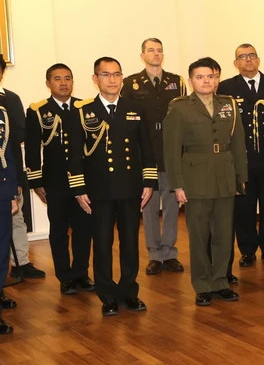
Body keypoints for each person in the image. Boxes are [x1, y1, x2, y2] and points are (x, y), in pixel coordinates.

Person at [68, 57, 157, 317]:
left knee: (130, 243)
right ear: (95, 79)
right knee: (103, 243)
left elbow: (146, 149)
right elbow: (74, 154)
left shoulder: (135, 108)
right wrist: (78, 188)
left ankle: (129, 292)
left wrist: (149, 182)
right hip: (99, 190)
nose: (112, 80)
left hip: (130, 188)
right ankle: (106, 295)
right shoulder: (83, 111)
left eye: (117, 74)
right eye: (106, 75)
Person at [163, 58, 247, 306]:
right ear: (190, 81)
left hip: (224, 175)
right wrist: (177, 185)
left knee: (223, 233)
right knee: (199, 235)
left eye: (210, 76)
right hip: (195, 178)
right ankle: (201, 284)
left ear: (217, 78)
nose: (206, 81)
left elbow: (239, 144)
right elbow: (171, 150)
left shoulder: (228, 104)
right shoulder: (179, 107)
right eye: (200, 77)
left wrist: (241, 177)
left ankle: (220, 281)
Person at [25, 63, 93, 295]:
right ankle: (65, 276)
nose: (63, 83)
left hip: (83, 181)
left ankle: (81, 273)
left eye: (68, 78)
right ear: (48, 83)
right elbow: (33, 150)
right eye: (57, 79)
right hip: (55, 182)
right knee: (59, 230)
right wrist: (36, 182)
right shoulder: (37, 110)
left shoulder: (85, 107)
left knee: (84, 229)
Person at [217, 44, 264, 278]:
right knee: (243, 209)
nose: (248, 60)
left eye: (252, 56)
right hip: (241, 159)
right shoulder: (226, 87)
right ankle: (247, 250)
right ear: (235, 63)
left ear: (258, 59)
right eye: (243, 57)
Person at [122, 38, 186, 276]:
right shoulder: (131, 83)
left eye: (159, 50)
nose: (156, 54)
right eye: (151, 50)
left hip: (170, 152)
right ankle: (154, 254)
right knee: (148, 206)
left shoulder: (176, 82)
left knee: (171, 205)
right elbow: (127, 119)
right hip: (145, 154)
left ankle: (169, 252)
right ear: (142, 55)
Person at [0, 54, 46, 280]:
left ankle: (21, 262)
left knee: (16, 219)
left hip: (10, 169)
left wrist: (17, 178)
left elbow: (19, 134)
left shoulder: (11, 99)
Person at [1, 102, 20, 334]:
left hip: (1, 193)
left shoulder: (2, 113)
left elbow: (7, 154)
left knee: (1, 254)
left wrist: (12, 191)